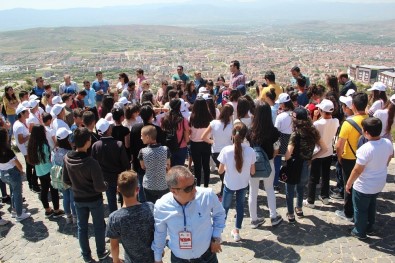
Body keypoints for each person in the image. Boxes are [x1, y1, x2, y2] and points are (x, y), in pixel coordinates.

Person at [152, 166, 226, 263]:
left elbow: (219, 214)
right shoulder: (162, 206)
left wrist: (216, 237)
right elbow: (160, 233)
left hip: (207, 256)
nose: (195, 190)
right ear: (173, 191)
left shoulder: (207, 195)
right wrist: (157, 258)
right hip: (179, 259)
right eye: (189, 188)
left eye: (194, 183)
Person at [63, 127, 109, 263]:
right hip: (94, 199)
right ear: (88, 142)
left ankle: (86, 255)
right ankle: (101, 252)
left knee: (82, 227)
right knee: (99, 225)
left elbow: (65, 180)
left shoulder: (67, 159)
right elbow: (100, 186)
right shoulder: (91, 163)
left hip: (78, 198)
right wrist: (106, 184)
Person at [345, 117, 394, 240]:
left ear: (366, 132)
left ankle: (359, 231)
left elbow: (357, 170)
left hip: (364, 185)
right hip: (379, 182)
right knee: (372, 204)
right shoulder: (387, 143)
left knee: (360, 209)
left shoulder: (365, 149)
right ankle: (370, 226)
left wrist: (349, 183)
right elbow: (390, 155)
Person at [284, 108, 326, 223]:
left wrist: (284, 158)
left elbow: (288, 154)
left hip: (294, 164)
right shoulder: (313, 131)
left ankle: (291, 214)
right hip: (305, 164)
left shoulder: (296, 133)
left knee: (290, 190)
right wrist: (311, 157)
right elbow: (325, 148)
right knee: (301, 187)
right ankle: (299, 209)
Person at [106, 170, 155, 263]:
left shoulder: (114, 218)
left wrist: (116, 260)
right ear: (137, 189)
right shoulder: (150, 208)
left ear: (118, 190)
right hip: (152, 258)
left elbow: (114, 245)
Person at [247, 103, 283, 227]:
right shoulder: (274, 132)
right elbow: (276, 149)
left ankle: (254, 219)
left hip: (253, 164)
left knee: (253, 191)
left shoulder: (250, 131)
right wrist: (271, 157)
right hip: (269, 162)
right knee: (269, 189)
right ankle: (273, 216)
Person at [218, 122, 256, 241]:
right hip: (243, 184)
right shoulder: (250, 151)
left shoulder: (226, 150)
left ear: (233, 134)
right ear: (245, 135)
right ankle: (237, 231)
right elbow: (253, 172)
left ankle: (218, 233)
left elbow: (220, 171)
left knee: (224, 208)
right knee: (240, 207)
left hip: (229, 184)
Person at [335, 92, 368, 221]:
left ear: (353, 105)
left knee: (348, 185)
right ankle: (360, 210)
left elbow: (339, 145)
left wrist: (339, 158)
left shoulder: (348, 123)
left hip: (349, 158)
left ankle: (348, 212)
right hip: (365, 158)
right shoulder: (370, 119)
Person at [304, 99, 339, 208]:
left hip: (318, 152)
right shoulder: (336, 121)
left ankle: (310, 200)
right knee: (326, 175)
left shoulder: (318, 124)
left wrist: (314, 117)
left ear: (322, 110)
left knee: (313, 177)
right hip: (328, 152)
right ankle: (325, 197)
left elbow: (311, 133)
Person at [92, 119, 130, 213]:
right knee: (123, 199)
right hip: (120, 177)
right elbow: (125, 163)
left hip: (106, 178)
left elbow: (94, 163)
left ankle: (114, 218)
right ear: (109, 130)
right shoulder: (118, 144)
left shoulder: (96, 146)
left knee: (111, 200)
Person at [129, 105, 166, 202]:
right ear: (151, 116)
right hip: (156, 164)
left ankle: (144, 207)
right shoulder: (156, 129)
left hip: (139, 164)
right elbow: (163, 146)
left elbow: (132, 147)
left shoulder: (135, 128)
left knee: (142, 187)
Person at [27, 124, 64, 218]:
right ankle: (56, 210)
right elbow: (48, 156)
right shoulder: (43, 145)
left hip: (39, 170)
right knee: (54, 190)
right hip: (48, 169)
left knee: (44, 190)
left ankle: (47, 210)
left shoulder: (31, 145)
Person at [201, 104, 234, 199]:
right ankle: (225, 193)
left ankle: (225, 193)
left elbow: (203, 137)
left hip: (216, 152)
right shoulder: (232, 126)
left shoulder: (213, 123)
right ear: (231, 114)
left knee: (223, 173)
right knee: (225, 174)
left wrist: (212, 142)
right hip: (228, 152)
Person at [0, 127, 31, 222]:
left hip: (3, 174)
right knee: (17, 193)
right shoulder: (8, 151)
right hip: (12, 174)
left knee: (13, 191)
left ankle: (15, 209)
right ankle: (19, 214)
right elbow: (18, 164)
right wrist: (21, 171)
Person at [138, 125, 170, 203]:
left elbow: (143, 167)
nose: (141, 138)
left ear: (148, 137)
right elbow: (168, 165)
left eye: (142, 136)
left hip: (149, 185)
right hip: (163, 184)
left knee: (151, 206)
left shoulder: (142, 152)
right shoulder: (166, 149)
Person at [14, 104, 40, 193]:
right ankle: (34, 185)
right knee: (36, 167)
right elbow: (21, 140)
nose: (29, 112)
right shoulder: (19, 126)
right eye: (27, 112)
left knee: (30, 167)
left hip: (28, 149)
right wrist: (30, 135)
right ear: (22, 113)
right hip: (27, 151)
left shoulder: (22, 123)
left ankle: (31, 184)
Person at [52, 127, 76, 224]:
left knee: (65, 197)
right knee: (72, 198)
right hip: (69, 178)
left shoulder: (55, 151)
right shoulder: (69, 153)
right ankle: (75, 217)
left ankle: (68, 216)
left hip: (60, 178)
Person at [189, 98, 213, 187]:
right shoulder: (209, 117)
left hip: (195, 143)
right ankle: (206, 185)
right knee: (206, 165)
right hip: (206, 143)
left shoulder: (191, 117)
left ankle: (198, 185)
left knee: (197, 166)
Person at [273, 93, 294, 193]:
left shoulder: (280, 116)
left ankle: (275, 184)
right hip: (292, 139)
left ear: (283, 104)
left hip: (281, 139)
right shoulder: (294, 114)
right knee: (289, 161)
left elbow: (276, 131)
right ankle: (290, 181)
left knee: (276, 162)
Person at [161, 99, 190, 166]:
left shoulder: (164, 119)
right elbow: (186, 136)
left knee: (170, 168)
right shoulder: (183, 120)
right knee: (179, 169)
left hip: (168, 146)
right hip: (181, 147)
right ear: (180, 107)